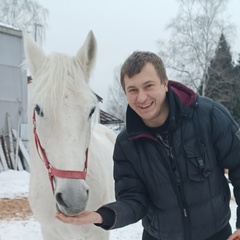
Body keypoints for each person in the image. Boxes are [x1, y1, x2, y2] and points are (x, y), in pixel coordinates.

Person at [56, 51, 240, 240]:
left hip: (216, 235)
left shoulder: (208, 115)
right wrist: (103, 215)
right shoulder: (126, 144)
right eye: (133, 90)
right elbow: (133, 199)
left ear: (165, 83)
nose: (141, 98)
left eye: (148, 86)